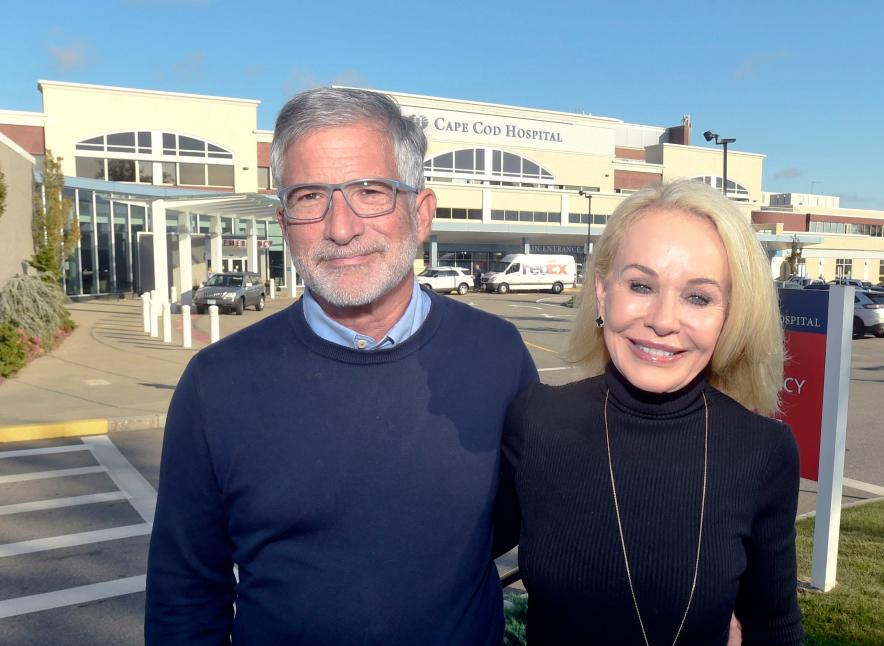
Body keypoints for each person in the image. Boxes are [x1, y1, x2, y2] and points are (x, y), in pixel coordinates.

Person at [145, 87, 538, 645]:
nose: (341, 227)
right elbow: (184, 595)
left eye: (370, 191)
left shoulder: (497, 355)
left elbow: (515, 524)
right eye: (310, 197)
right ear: (284, 222)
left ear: (420, 213)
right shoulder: (217, 384)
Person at [495, 181, 803, 645]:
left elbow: (774, 626)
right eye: (641, 285)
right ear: (602, 292)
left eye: (698, 297)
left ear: (730, 315)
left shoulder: (763, 450)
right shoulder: (536, 421)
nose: (663, 320)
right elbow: (448, 558)